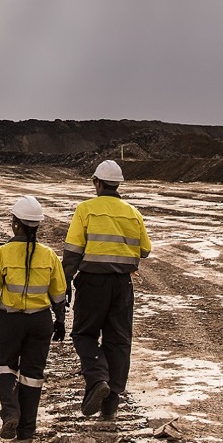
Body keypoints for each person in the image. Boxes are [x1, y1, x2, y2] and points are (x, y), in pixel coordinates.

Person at [62, 160, 151, 420]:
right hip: (122, 285)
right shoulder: (133, 213)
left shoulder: (86, 209)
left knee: (83, 335)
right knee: (119, 342)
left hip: (92, 283)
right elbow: (145, 249)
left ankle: (98, 377)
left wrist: (64, 282)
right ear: (118, 184)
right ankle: (111, 404)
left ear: (97, 183)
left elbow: (72, 252)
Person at [0, 196, 67, 440]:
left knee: (5, 365)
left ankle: (10, 412)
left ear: (16, 224)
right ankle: (27, 428)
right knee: (33, 373)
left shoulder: (2, 254)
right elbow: (59, 293)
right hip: (41, 322)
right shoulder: (49, 256)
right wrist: (60, 321)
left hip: (11, 321)